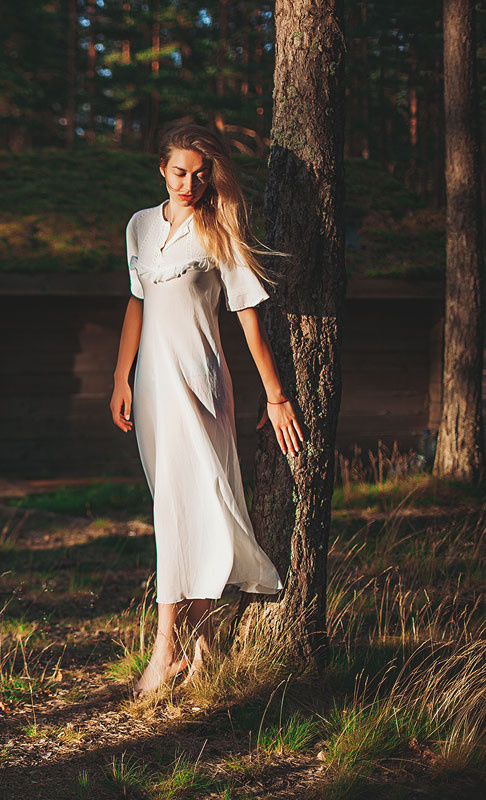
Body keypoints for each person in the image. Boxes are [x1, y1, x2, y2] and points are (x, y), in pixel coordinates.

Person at [109, 123, 304, 697]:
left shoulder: (221, 230)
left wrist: (275, 394)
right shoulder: (140, 226)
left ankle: (164, 648)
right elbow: (137, 303)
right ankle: (204, 646)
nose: (189, 184)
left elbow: (247, 317)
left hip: (199, 384)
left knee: (189, 503)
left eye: (199, 174)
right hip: (151, 385)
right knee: (175, 505)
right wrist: (120, 376)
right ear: (161, 170)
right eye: (179, 172)